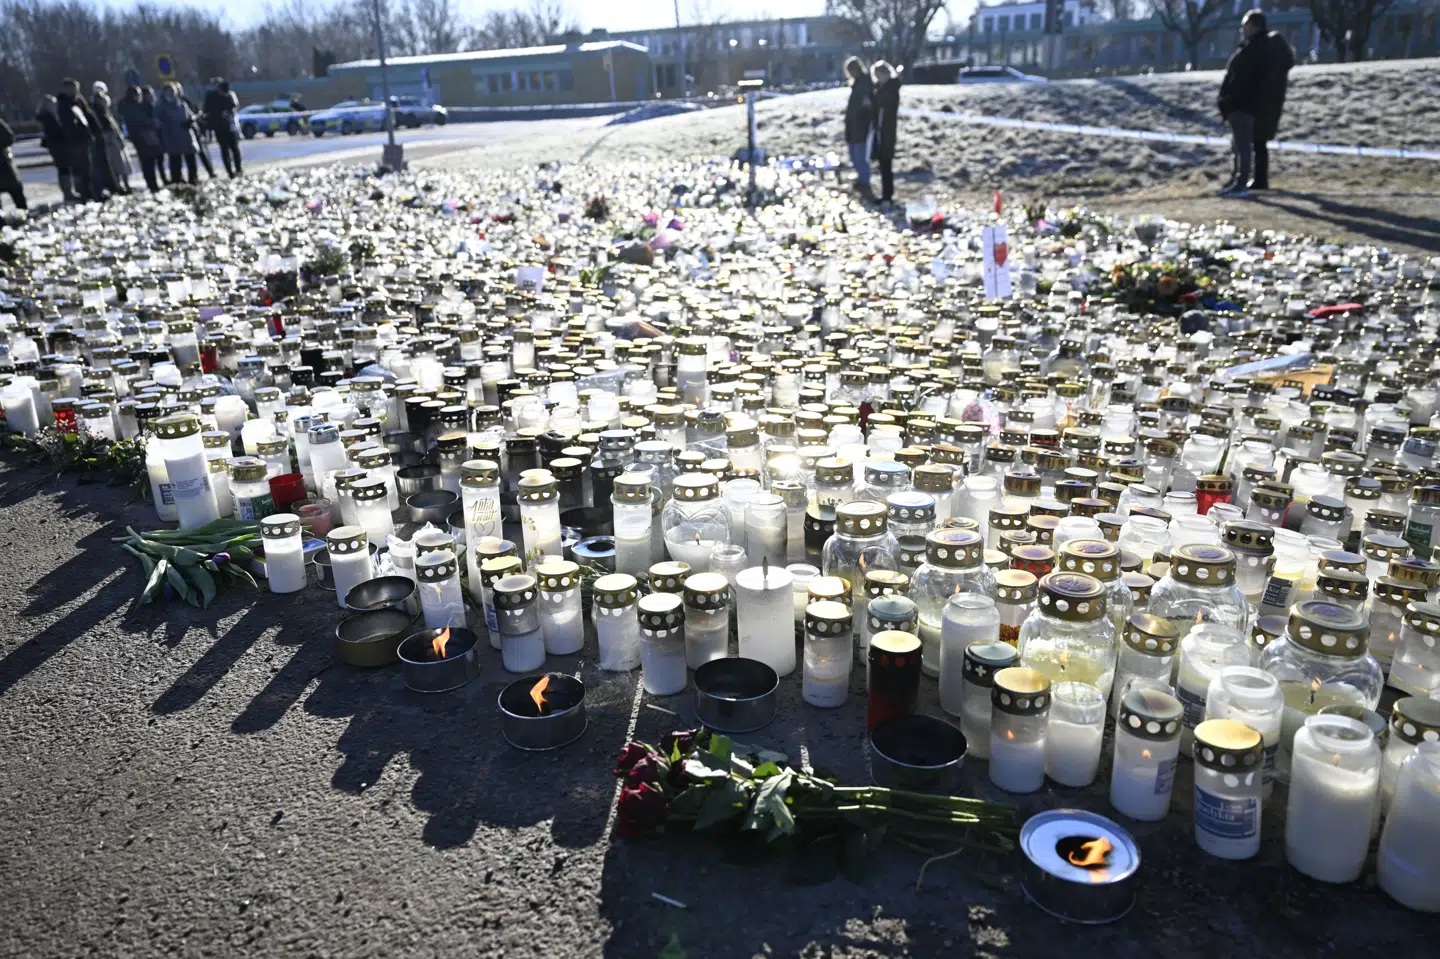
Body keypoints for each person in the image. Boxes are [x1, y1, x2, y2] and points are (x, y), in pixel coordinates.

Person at [1216, 10, 1269, 199]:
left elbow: (1243, 81)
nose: (1242, 29)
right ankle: (1236, 180)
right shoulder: (1251, 49)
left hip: (1242, 106)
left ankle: (1241, 183)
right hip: (1237, 105)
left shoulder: (1254, 51)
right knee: (1238, 146)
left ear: (1254, 27)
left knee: (1243, 147)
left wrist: (1230, 101)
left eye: (1245, 25)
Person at [1253, 23, 1295, 191]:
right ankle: (1260, 178)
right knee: (1260, 143)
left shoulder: (1268, 60)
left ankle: (1260, 180)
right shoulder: (1282, 64)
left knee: (1258, 142)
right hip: (1274, 103)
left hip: (1263, 103)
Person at [56, 78, 101, 201]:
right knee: (81, 170)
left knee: (87, 168)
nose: (76, 91)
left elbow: (87, 116)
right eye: (73, 89)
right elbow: (68, 124)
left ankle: (90, 193)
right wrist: (78, 135)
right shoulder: (64, 104)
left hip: (83, 139)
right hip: (75, 142)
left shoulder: (77, 101)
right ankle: (84, 194)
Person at [118, 84, 164, 193]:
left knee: (148, 161)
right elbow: (140, 121)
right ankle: (152, 185)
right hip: (142, 137)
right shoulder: (132, 108)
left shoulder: (132, 107)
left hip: (141, 137)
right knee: (148, 162)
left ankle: (152, 184)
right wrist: (152, 123)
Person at [91, 81, 132, 195]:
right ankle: (117, 185)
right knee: (114, 165)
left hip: (115, 140)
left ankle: (124, 184)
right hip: (108, 140)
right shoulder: (98, 113)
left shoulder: (108, 113)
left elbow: (115, 127)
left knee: (122, 164)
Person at [870, 61, 902, 206]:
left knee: (886, 163)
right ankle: (886, 194)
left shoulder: (890, 89)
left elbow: (884, 105)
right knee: (883, 164)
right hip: (881, 130)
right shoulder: (882, 88)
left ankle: (887, 195)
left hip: (886, 130)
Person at [156, 82, 200, 186]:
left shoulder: (182, 104)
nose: (171, 93)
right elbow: (158, 122)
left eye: (172, 91)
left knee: (191, 159)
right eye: (168, 91)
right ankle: (177, 181)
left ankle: (193, 179)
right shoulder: (161, 106)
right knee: (175, 160)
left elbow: (190, 115)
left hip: (186, 135)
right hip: (172, 136)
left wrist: (191, 120)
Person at [843, 57, 873, 198]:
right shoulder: (856, 84)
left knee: (860, 156)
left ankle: (864, 182)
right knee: (854, 155)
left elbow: (867, 105)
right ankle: (861, 179)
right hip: (853, 125)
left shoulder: (865, 83)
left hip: (861, 126)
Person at [36, 96, 77, 202]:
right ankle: (68, 192)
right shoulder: (49, 118)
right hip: (58, 146)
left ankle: (68, 191)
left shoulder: (46, 118)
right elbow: (55, 133)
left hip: (55, 146)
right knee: (64, 168)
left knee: (63, 168)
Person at [203, 78, 243, 178]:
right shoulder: (211, 97)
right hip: (219, 127)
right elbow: (207, 111)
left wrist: (228, 113)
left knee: (235, 149)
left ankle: (238, 169)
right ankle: (230, 172)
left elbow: (234, 106)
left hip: (230, 126)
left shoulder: (229, 95)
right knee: (224, 150)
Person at [178, 84, 218, 179]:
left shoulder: (186, 100)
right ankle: (192, 176)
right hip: (183, 133)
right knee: (188, 156)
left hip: (194, 130)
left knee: (201, 152)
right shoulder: (175, 103)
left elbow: (195, 111)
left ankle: (210, 171)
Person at [0, 117, 27, 211]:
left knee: (15, 189)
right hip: (3, 164)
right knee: (15, 191)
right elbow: (9, 138)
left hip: (3, 163)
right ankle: (23, 213)